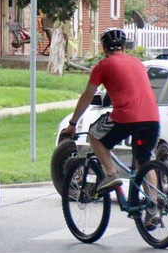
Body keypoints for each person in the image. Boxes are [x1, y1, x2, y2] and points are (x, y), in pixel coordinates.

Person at [61, 28, 160, 223]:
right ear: (124, 47)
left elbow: (88, 96)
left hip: (125, 116)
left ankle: (110, 174)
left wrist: (73, 124)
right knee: (144, 161)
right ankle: (154, 205)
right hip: (152, 118)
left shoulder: (103, 65)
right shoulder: (138, 63)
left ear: (104, 48)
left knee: (94, 134)